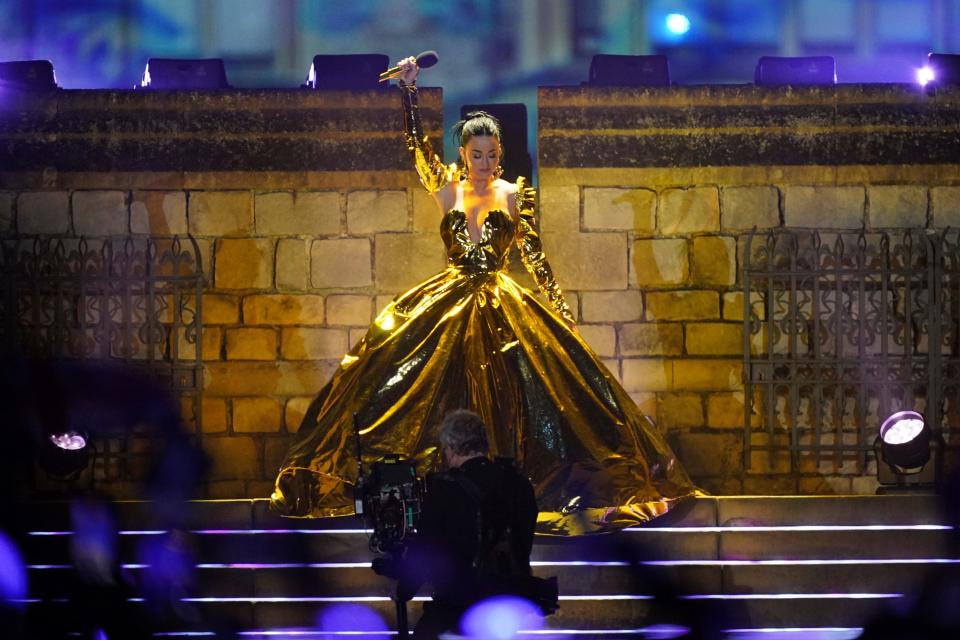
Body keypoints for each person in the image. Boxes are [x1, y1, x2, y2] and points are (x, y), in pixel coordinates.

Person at [271, 54, 699, 535]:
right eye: (478, 154)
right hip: (449, 298)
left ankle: (521, 485)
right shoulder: (448, 190)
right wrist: (410, 93)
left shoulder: (513, 195)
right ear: (463, 155)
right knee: (394, 373)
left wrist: (560, 312)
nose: (486, 162)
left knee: (534, 389)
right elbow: (417, 149)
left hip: (501, 298)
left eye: (493, 153)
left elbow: (535, 256)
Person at [391, 410, 541, 639]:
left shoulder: (444, 488)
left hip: (459, 603)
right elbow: (523, 540)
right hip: (510, 602)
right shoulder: (518, 483)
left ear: (451, 446)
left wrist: (404, 590)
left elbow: (426, 547)